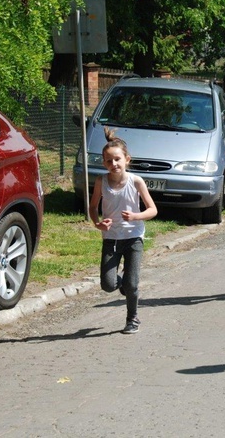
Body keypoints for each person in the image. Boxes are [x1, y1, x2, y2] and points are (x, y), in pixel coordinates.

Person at [89, 127, 159, 334]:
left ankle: (132, 318)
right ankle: (123, 285)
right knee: (108, 284)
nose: (114, 164)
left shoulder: (136, 181)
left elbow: (153, 209)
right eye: (109, 161)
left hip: (134, 238)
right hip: (111, 238)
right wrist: (97, 223)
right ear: (103, 163)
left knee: (133, 283)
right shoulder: (101, 181)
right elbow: (93, 207)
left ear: (127, 159)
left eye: (117, 159)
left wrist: (136, 216)